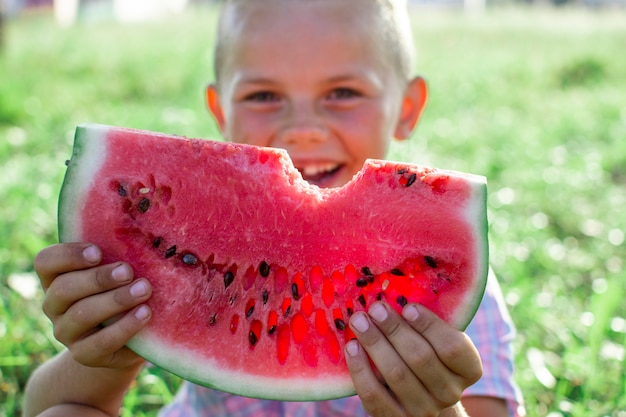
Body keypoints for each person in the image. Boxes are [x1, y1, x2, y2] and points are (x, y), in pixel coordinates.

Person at [24, 0, 524, 416]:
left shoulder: (433, 277)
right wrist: (107, 356)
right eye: (264, 95)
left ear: (408, 107)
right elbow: (43, 406)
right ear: (220, 111)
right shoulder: (187, 245)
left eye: (343, 93)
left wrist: (436, 410)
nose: (302, 127)